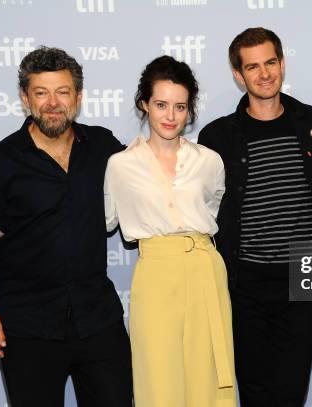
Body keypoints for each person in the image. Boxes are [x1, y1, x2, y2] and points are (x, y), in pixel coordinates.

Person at [0, 46, 133, 407]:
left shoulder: (103, 146)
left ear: (78, 97)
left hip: (98, 321)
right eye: (41, 92)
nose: (52, 103)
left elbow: (149, 178)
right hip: (26, 327)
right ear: (25, 98)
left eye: (62, 92)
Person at [197, 27, 312, 407]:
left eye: (270, 63)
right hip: (245, 283)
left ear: (282, 63)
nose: (263, 74)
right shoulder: (217, 136)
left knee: (292, 391)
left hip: (299, 278)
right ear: (237, 75)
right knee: (256, 391)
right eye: (252, 66)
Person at [104, 55, 236, 407]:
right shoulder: (120, 165)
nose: (170, 116)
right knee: (159, 379)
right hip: (156, 273)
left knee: (209, 379)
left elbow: (212, 207)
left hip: (206, 270)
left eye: (180, 106)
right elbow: (103, 221)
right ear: (144, 104)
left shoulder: (209, 161)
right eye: (161, 104)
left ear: (189, 109)